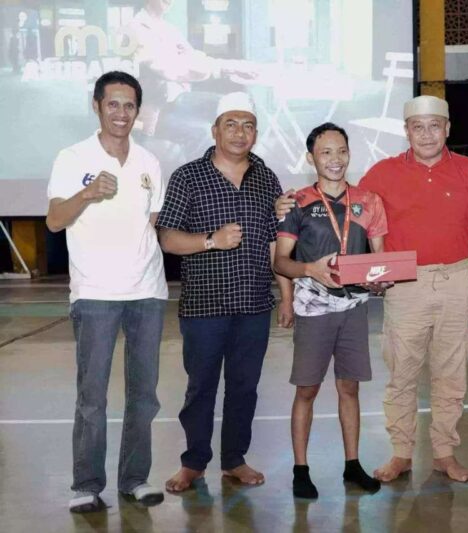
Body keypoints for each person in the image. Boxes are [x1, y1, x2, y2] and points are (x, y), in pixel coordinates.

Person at [278, 95, 468, 483]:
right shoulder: (382, 174)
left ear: (447, 128)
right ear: (406, 131)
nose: (427, 134)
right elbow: (342, 205)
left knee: (452, 375)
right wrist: (288, 204)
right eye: (418, 126)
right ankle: (401, 453)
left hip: (457, 280)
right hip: (405, 285)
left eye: (435, 125)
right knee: (402, 374)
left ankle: (445, 453)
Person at [157, 92, 293, 492]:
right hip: (204, 307)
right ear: (215, 130)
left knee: (245, 388)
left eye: (248, 124)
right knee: (200, 388)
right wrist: (212, 241)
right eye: (231, 124)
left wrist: (285, 296)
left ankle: (235, 459)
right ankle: (194, 462)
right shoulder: (188, 176)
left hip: (253, 304)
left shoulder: (267, 178)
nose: (240, 132)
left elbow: (275, 241)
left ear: (256, 133)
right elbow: (167, 238)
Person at [46, 71, 167, 512]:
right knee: (92, 395)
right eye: (112, 104)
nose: (121, 113)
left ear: (138, 110)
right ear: (96, 105)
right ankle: (87, 484)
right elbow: (54, 220)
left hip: (147, 293)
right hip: (94, 293)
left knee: (144, 394)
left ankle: (134, 479)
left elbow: (151, 225)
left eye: (129, 105)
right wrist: (88, 192)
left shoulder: (150, 162)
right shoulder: (72, 156)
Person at [274, 123, 384, 498]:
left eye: (342, 151)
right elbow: (281, 262)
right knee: (306, 390)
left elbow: (379, 258)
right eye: (326, 152)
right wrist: (310, 270)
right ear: (311, 158)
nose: (335, 160)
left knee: (349, 387)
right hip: (313, 308)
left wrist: (378, 278)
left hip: (355, 307)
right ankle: (300, 470)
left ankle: (352, 465)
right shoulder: (298, 203)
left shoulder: (369, 201)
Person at [127, 0, 257, 136]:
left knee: (234, 105)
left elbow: (194, 58)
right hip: (158, 108)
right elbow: (170, 69)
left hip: (179, 99)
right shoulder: (136, 28)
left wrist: (234, 67)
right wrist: (222, 70)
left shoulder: (169, 29)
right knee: (204, 133)